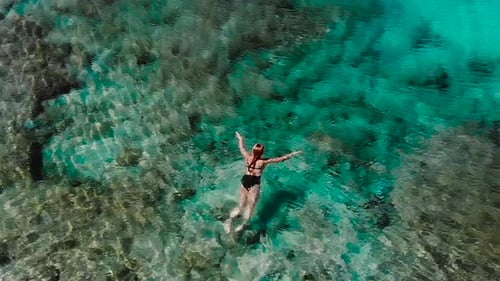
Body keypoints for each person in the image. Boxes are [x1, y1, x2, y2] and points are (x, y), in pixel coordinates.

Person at [224, 131, 302, 234]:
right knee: (251, 206)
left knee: (241, 204)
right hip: (254, 184)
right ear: (262, 153)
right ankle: (242, 226)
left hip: (245, 181)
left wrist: (241, 138)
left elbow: (242, 148)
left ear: (252, 151)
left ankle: (229, 220)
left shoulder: (248, 157)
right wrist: (293, 154)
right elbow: (280, 159)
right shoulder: (263, 161)